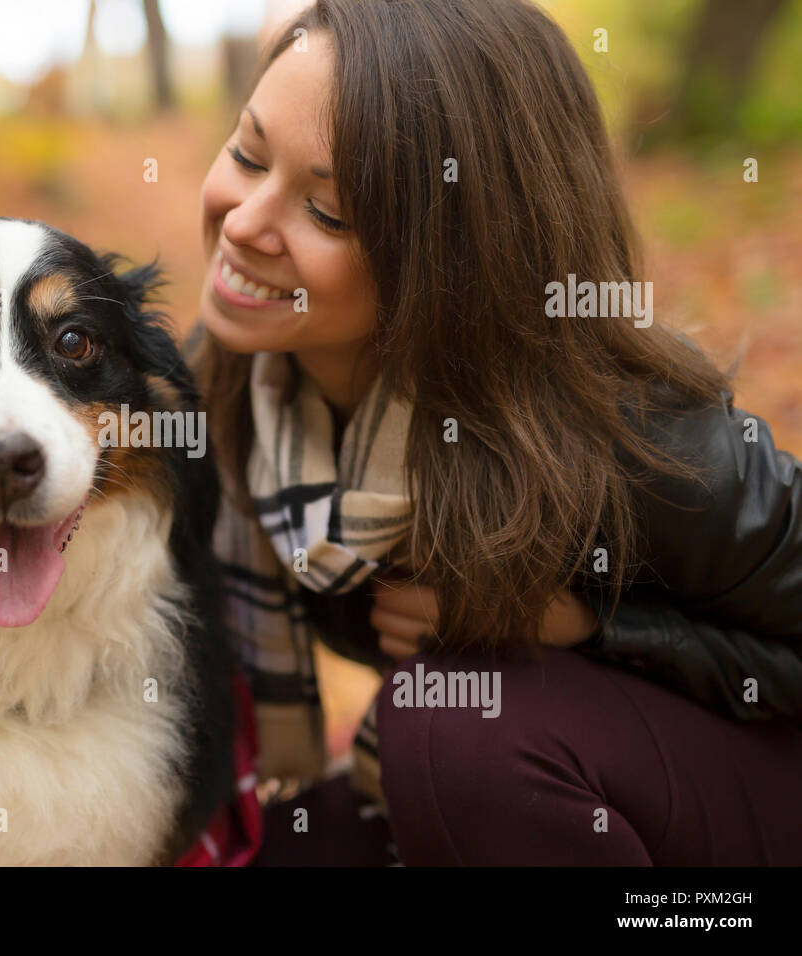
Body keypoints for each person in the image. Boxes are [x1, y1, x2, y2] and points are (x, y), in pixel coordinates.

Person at [187, 0, 802, 865]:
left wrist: (590, 629)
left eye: (327, 213)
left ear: (448, 259)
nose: (245, 222)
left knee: (448, 729)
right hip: (565, 788)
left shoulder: (629, 441)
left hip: (744, 799)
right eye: (248, 155)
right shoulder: (225, 393)